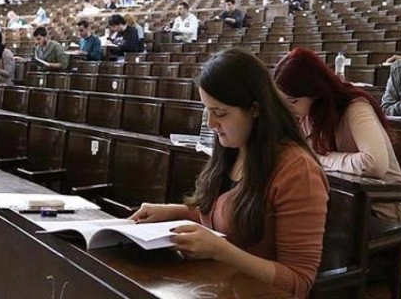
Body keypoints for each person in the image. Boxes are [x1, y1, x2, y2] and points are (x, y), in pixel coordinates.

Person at [129, 48, 328, 298]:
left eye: (220, 113)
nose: (211, 124)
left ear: (255, 109)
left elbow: (298, 282)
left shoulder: (298, 171)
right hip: (218, 285)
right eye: (207, 111)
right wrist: (176, 211)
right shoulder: (233, 149)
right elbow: (230, 218)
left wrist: (220, 250)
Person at [274, 48, 401, 218]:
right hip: (340, 200)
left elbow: (374, 164)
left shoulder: (355, 107)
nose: (288, 109)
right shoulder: (306, 114)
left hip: (378, 206)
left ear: (315, 92)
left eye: (293, 101)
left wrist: (319, 159)